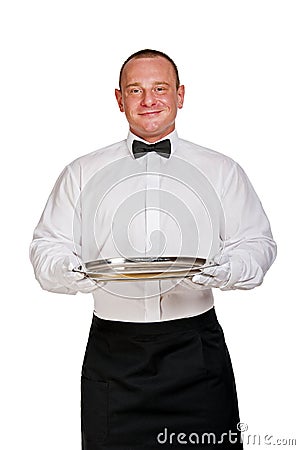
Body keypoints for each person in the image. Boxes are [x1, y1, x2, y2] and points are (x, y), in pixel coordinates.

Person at [30, 49, 277, 449]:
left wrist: (223, 270)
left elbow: (257, 244)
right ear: (119, 99)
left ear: (180, 95)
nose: (148, 100)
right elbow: (47, 247)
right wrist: (76, 271)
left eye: (160, 88)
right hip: (113, 352)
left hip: (195, 348)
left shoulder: (221, 169)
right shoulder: (81, 171)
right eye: (136, 90)